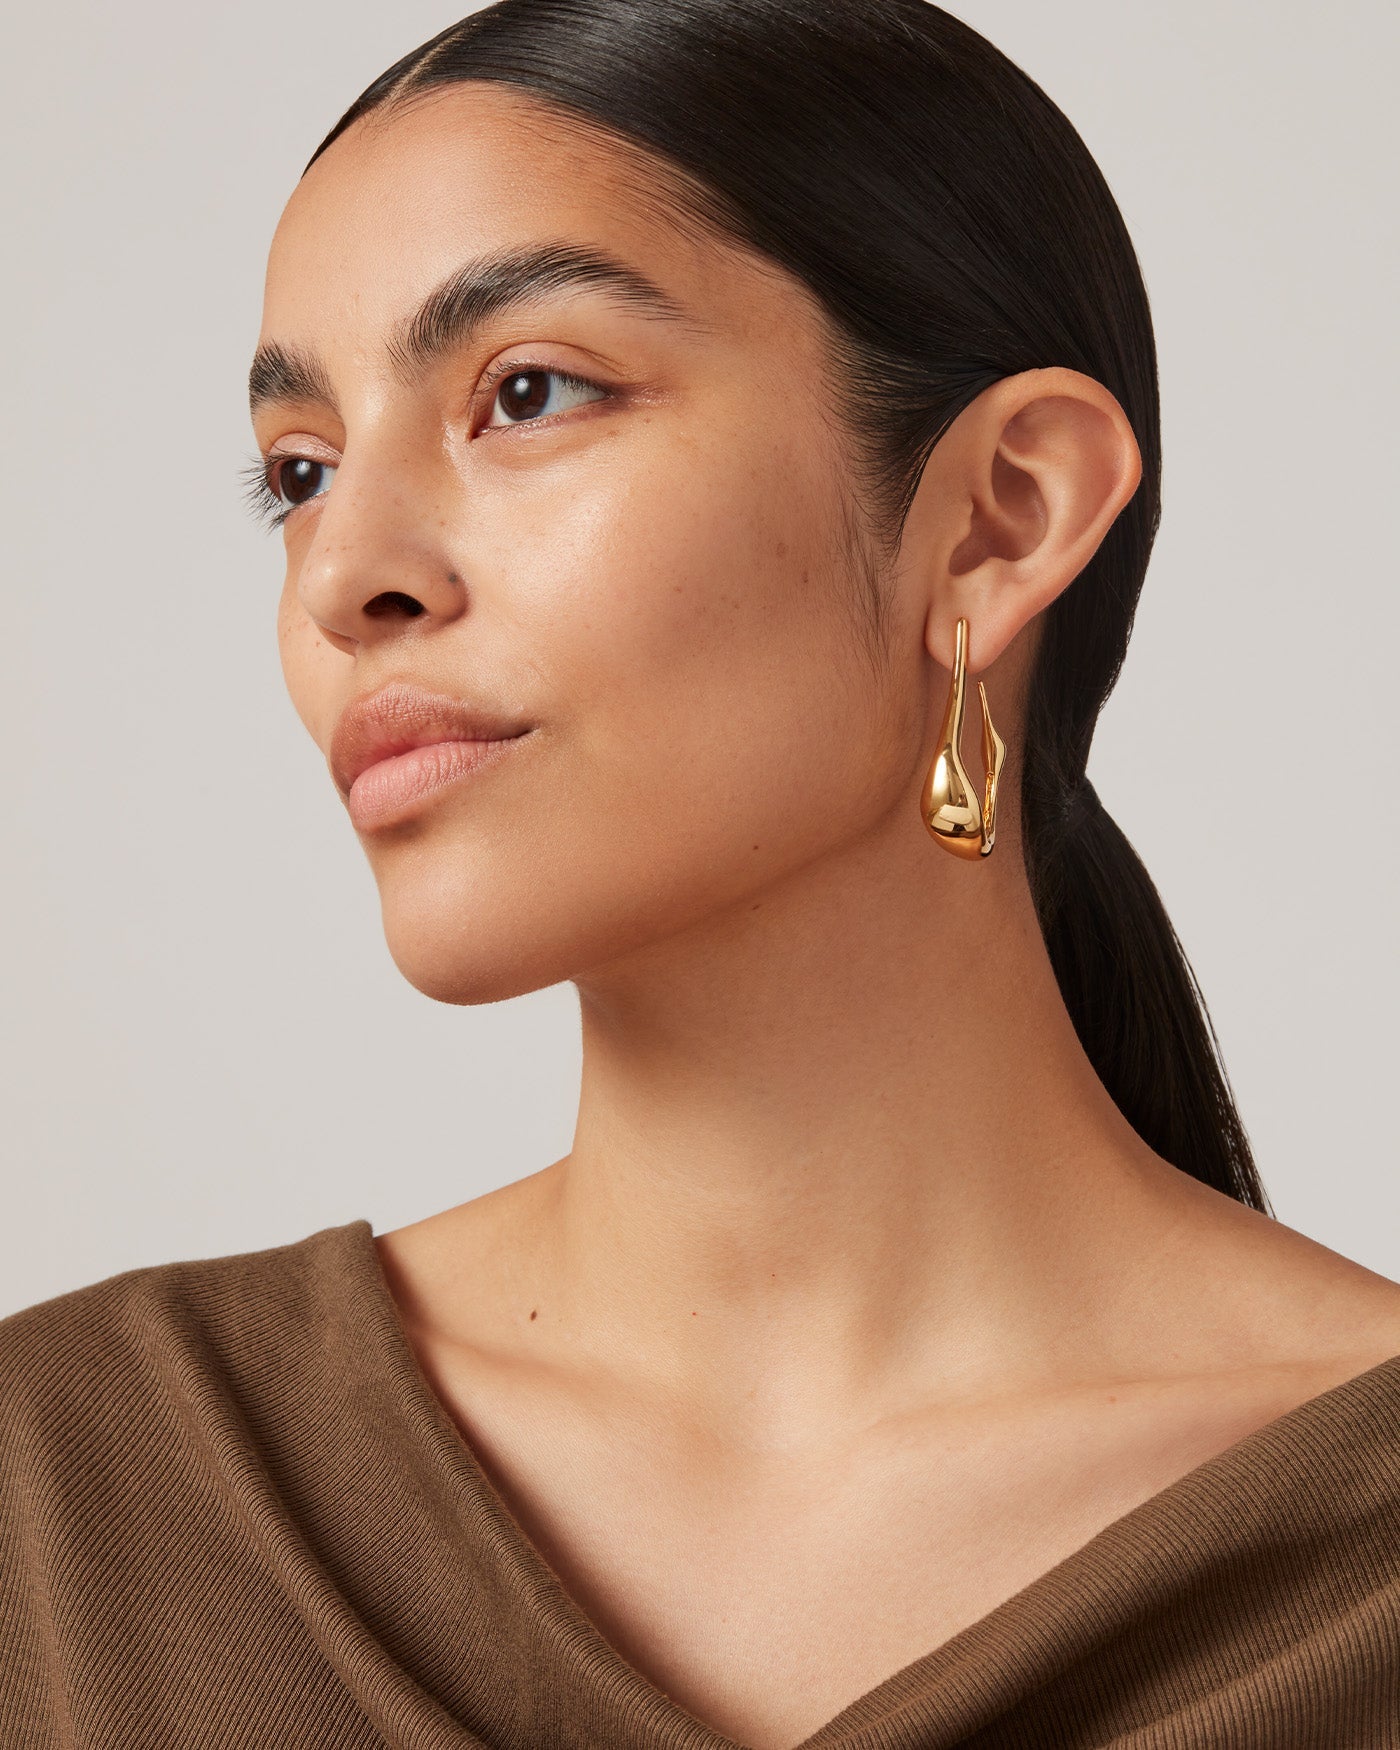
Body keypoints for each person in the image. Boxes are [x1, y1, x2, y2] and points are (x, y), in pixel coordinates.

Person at [4, 2, 1399, 1745]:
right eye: (300, 470)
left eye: (526, 392)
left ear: (999, 517)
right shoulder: (66, 1502)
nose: (341, 571)